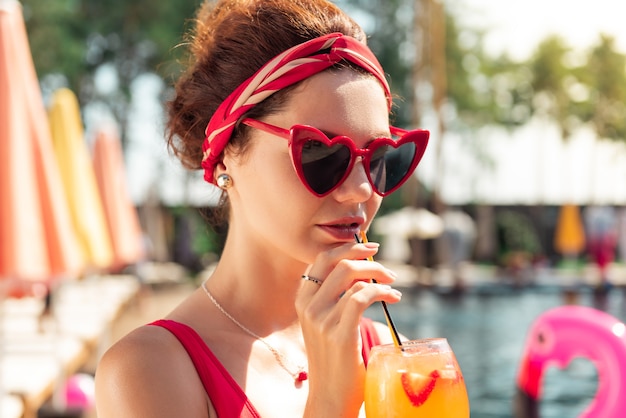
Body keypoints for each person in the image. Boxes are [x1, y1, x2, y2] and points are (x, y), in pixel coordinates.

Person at [95, 0, 429, 416]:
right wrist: (329, 403)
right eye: (320, 154)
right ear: (226, 155)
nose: (361, 189)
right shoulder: (151, 371)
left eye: (379, 157)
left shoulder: (380, 347)